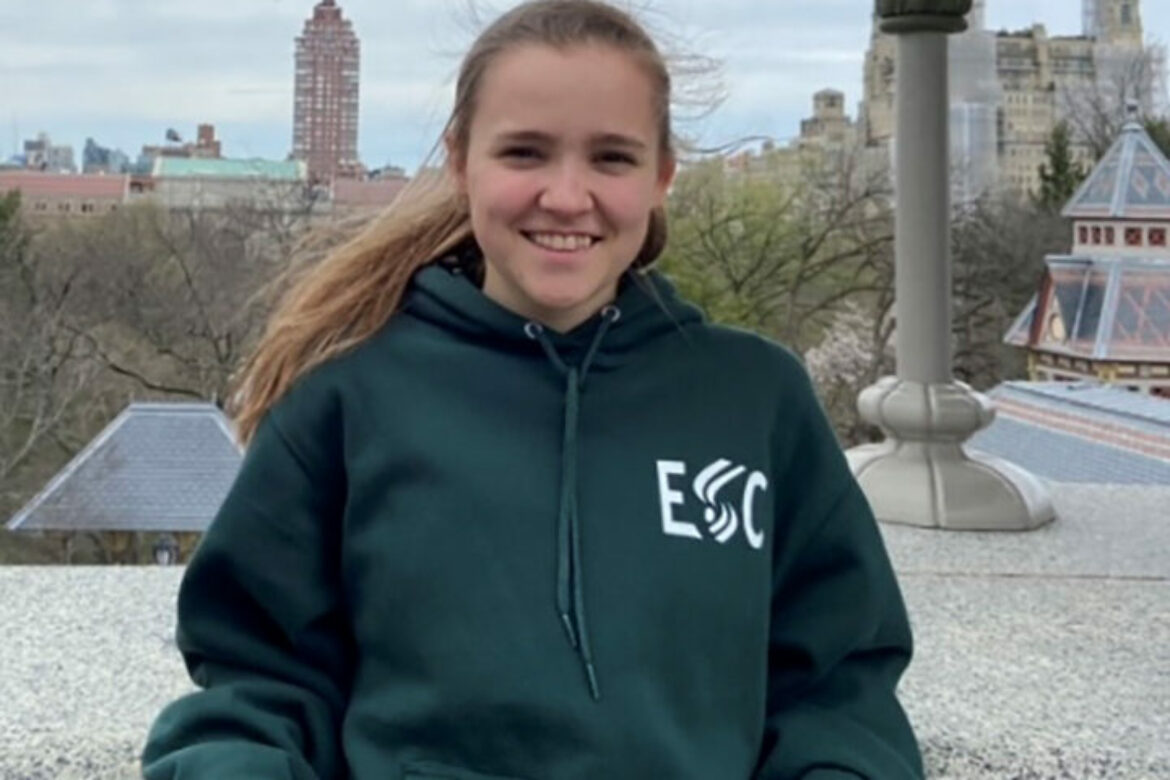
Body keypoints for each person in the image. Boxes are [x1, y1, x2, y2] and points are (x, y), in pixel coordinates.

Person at [141, 1, 923, 777]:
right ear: (461, 162)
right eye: (524, 153)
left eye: (611, 158)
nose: (567, 196)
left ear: (662, 175)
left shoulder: (754, 399)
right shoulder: (347, 397)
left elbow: (836, 692)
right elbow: (259, 683)